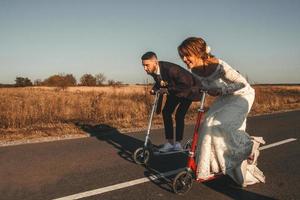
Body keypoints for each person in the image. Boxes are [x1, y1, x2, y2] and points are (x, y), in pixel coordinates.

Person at [177, 37, 265, 187]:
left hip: (242, 95)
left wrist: (220, 90)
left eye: (187, 55)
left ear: (198, 52)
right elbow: (207, 90)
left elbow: (242, 84)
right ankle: (210, 166)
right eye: (182, 56)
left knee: (220, 126)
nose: (184, 59)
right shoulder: (194, 71)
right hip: (225, 97)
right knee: (206, 125)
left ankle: (249, 147)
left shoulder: (218, 64)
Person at [141, 51, 202, 152]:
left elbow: (185, 84)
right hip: (174, 91)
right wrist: (155, 89)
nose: (145, 68)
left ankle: (178, 144)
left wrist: (167, 90)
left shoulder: (171, 69)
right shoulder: (153, 71)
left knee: (179, 115)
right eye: (143, 65)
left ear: (155, 62)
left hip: (189, 90)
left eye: (147, 65)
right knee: (166, 112)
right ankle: (170, 143)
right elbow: (160, 81)